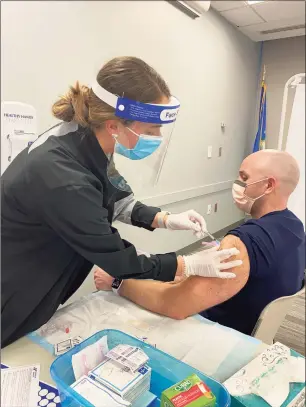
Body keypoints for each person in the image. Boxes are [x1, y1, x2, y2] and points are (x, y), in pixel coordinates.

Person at [1, 56, 241, 347]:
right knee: (14, 349)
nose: (157, 138)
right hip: (17, 282)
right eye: (151, 131)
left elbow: (116, 196)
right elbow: (117, 258)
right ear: (115, 125)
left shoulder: (87, 139)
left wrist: (163, 218)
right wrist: (187, 265)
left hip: (46, 264)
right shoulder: (64, 177)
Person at [94, 149, 305, 335]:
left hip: (223, 333)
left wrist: (118, 283)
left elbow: (175, 304)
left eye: (244, 178)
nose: (237, 184)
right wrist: (166, 221)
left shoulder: (242, 241)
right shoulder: (294, 225)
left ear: (268, 185)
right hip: (258, 324)